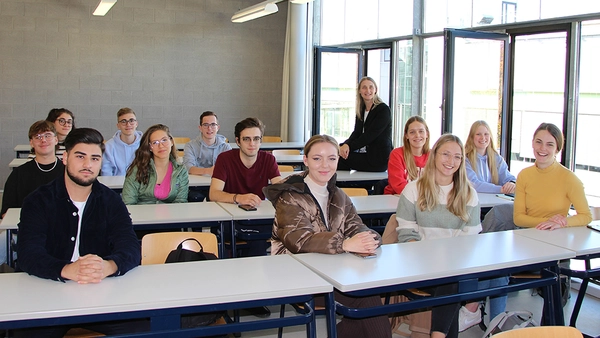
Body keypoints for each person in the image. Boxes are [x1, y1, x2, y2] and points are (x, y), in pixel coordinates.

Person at [16, 128, 147, 336]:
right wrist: (66, 269)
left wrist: (109, 266)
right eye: (80, 156)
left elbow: (130, 246)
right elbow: (27, 254)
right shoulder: (38, 201)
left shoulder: (111, 201)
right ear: (65, 158)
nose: (88, 165)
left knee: (145, 329)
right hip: (49, 292)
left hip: (100, 292)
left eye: (95, 158)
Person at [263, 134, 391, 338]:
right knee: (366, 299)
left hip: (333, 268)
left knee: (367, 296)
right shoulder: (290, 196)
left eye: (332, 158)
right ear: (305, 160)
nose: (325, 165)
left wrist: (370, 238)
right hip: (295, 271)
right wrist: (346, 244)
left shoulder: (338, 195)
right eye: (317, 158)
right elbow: (299, 240)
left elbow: (356, 226)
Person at [396, 134, 481, 338]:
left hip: (456, 267)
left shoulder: (469, 194)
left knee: (450, 280)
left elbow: (471, 241)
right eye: (446, 154)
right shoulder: (413, 190)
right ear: (434, 155)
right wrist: (429, 259)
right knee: (449, 286)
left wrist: (449, 262)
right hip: (420, 265)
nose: (451, 161)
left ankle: (438, 335)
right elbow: (406, 234)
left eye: (457, 157)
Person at [209, 117, 281, 317]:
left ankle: (251, 293)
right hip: (228, 217)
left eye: (256, 139)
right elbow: (214, 193)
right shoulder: (225, 159)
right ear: (237, 141)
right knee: (251, 241)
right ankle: (242, 293)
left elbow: (279, 189)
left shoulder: (268, 159)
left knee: (259, 238)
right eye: (247, 139)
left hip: (257, 218)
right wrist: (238, 198)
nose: (252, 144)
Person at [514, 122, 591, 229]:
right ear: (532, 143)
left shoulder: (569, 178)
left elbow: (586, 216)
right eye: (538, 142)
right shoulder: (524, 175)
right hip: (527, 234)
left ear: (557, 149)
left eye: (550, 144)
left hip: (556, 236)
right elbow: (518, 218)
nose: (542, 148)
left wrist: (562, 222)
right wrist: (550, 222)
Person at [2, 121, 65, 217]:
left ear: (56, 140)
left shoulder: (68, 172)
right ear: (31, 143)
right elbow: (6, 211)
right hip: (28, 227)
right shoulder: (18, 174)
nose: (43, 140)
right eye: (38, 137)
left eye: (48, 135)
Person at [122, 124, 189, 205]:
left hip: (171, 216)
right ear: (150, 147)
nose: (161, 146)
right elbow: (128, 203)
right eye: (155, 142)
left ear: (171, 142)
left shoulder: (181, 171)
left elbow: (180, 203)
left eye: (164, 140)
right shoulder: (137, 170)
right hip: (141, 215)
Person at [338, 76, 392, 172]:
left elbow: (369, 136)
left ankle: (346, 185)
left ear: (375, 90)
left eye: (371, 87)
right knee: (339, 155)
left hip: (378, 159)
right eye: (364, 87)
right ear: (359, 91)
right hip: (366, 155)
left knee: (340, 158)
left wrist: (348, 147)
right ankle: (346, 185)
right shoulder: (361, 110)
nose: (368, 90)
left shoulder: (383, 110)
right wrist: (344, 145)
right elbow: (356, 133)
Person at [465, 120, 516, 194]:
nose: (483, 138)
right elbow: (474, 184)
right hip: (473, 202)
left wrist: (512, 184)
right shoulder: (465, 159)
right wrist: (500, 189)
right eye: (478, 134)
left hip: (494, 202)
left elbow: (508, 178)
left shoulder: (497, 159)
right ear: (472, 137)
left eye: (486, 134)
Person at [384, 116, 430, 195]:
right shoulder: (397, 154)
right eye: (412, 132)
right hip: (396, 199)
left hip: (424, 200)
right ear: (406, 136)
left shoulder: (434, 156)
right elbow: (398, 186)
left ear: (427, 134)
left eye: (421, 131)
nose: (417, 135)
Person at [183, 111, 231, 176]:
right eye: (206, 125)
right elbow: (188, 168)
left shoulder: (226, 147)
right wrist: (209, 171)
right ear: (200, 128)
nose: (209, 128)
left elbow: (230, 168)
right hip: (197, 184)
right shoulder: (190, 146)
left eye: (213, 124)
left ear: (218, 128)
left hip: (220, 184)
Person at [101, 107, 143, 176]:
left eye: (131, 120)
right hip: (115, 185)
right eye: (123, 121)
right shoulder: (109, 146)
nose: (128, 124)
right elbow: (106, 173)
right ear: (118, 126)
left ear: (136, 124)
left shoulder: (145, 143)